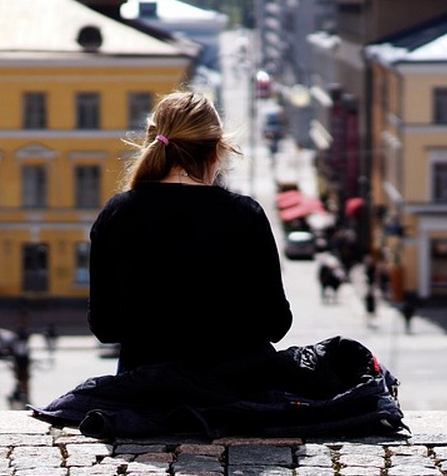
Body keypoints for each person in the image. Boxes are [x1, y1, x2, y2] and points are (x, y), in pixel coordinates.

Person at [87, 90, 293, 373]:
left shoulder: (118, 214)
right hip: (234, 399)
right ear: (216, 150)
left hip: (147, 398)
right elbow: (276, 324)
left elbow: (105, 328)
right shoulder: (245, 216)